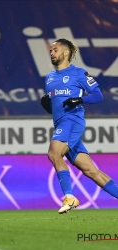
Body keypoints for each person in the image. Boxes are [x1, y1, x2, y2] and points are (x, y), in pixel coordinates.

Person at [40, 38, 118, 214]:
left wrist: (80, 99)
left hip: (72, 120)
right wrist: (50, 106)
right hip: (61, 122)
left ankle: (69, 197)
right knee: (91, 171)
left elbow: (98, 95)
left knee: (54, 153)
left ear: (66, 52)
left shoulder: (79, 73)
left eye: (55, 50)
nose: (51, 53)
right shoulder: (50, 78)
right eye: (50, 50)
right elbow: (57, 103)